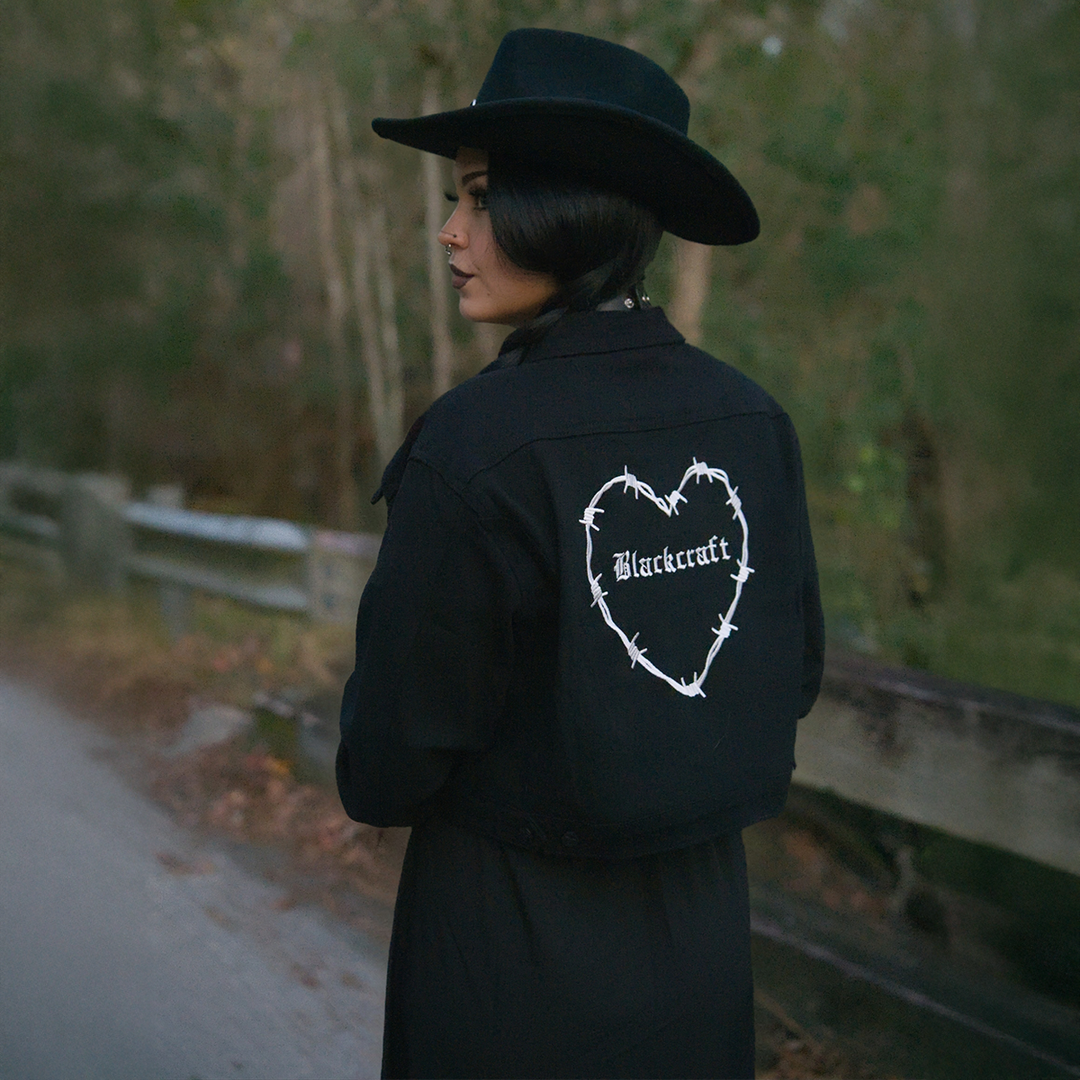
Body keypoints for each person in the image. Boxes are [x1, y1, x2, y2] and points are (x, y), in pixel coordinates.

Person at [337, 27, 824, 1080]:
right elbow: (790, 678)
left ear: (556, 206)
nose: (447, 232)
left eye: (474, 196)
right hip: (698, 952)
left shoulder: (475, 443)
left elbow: (388, 757)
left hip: (507, 958)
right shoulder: (753, 420)